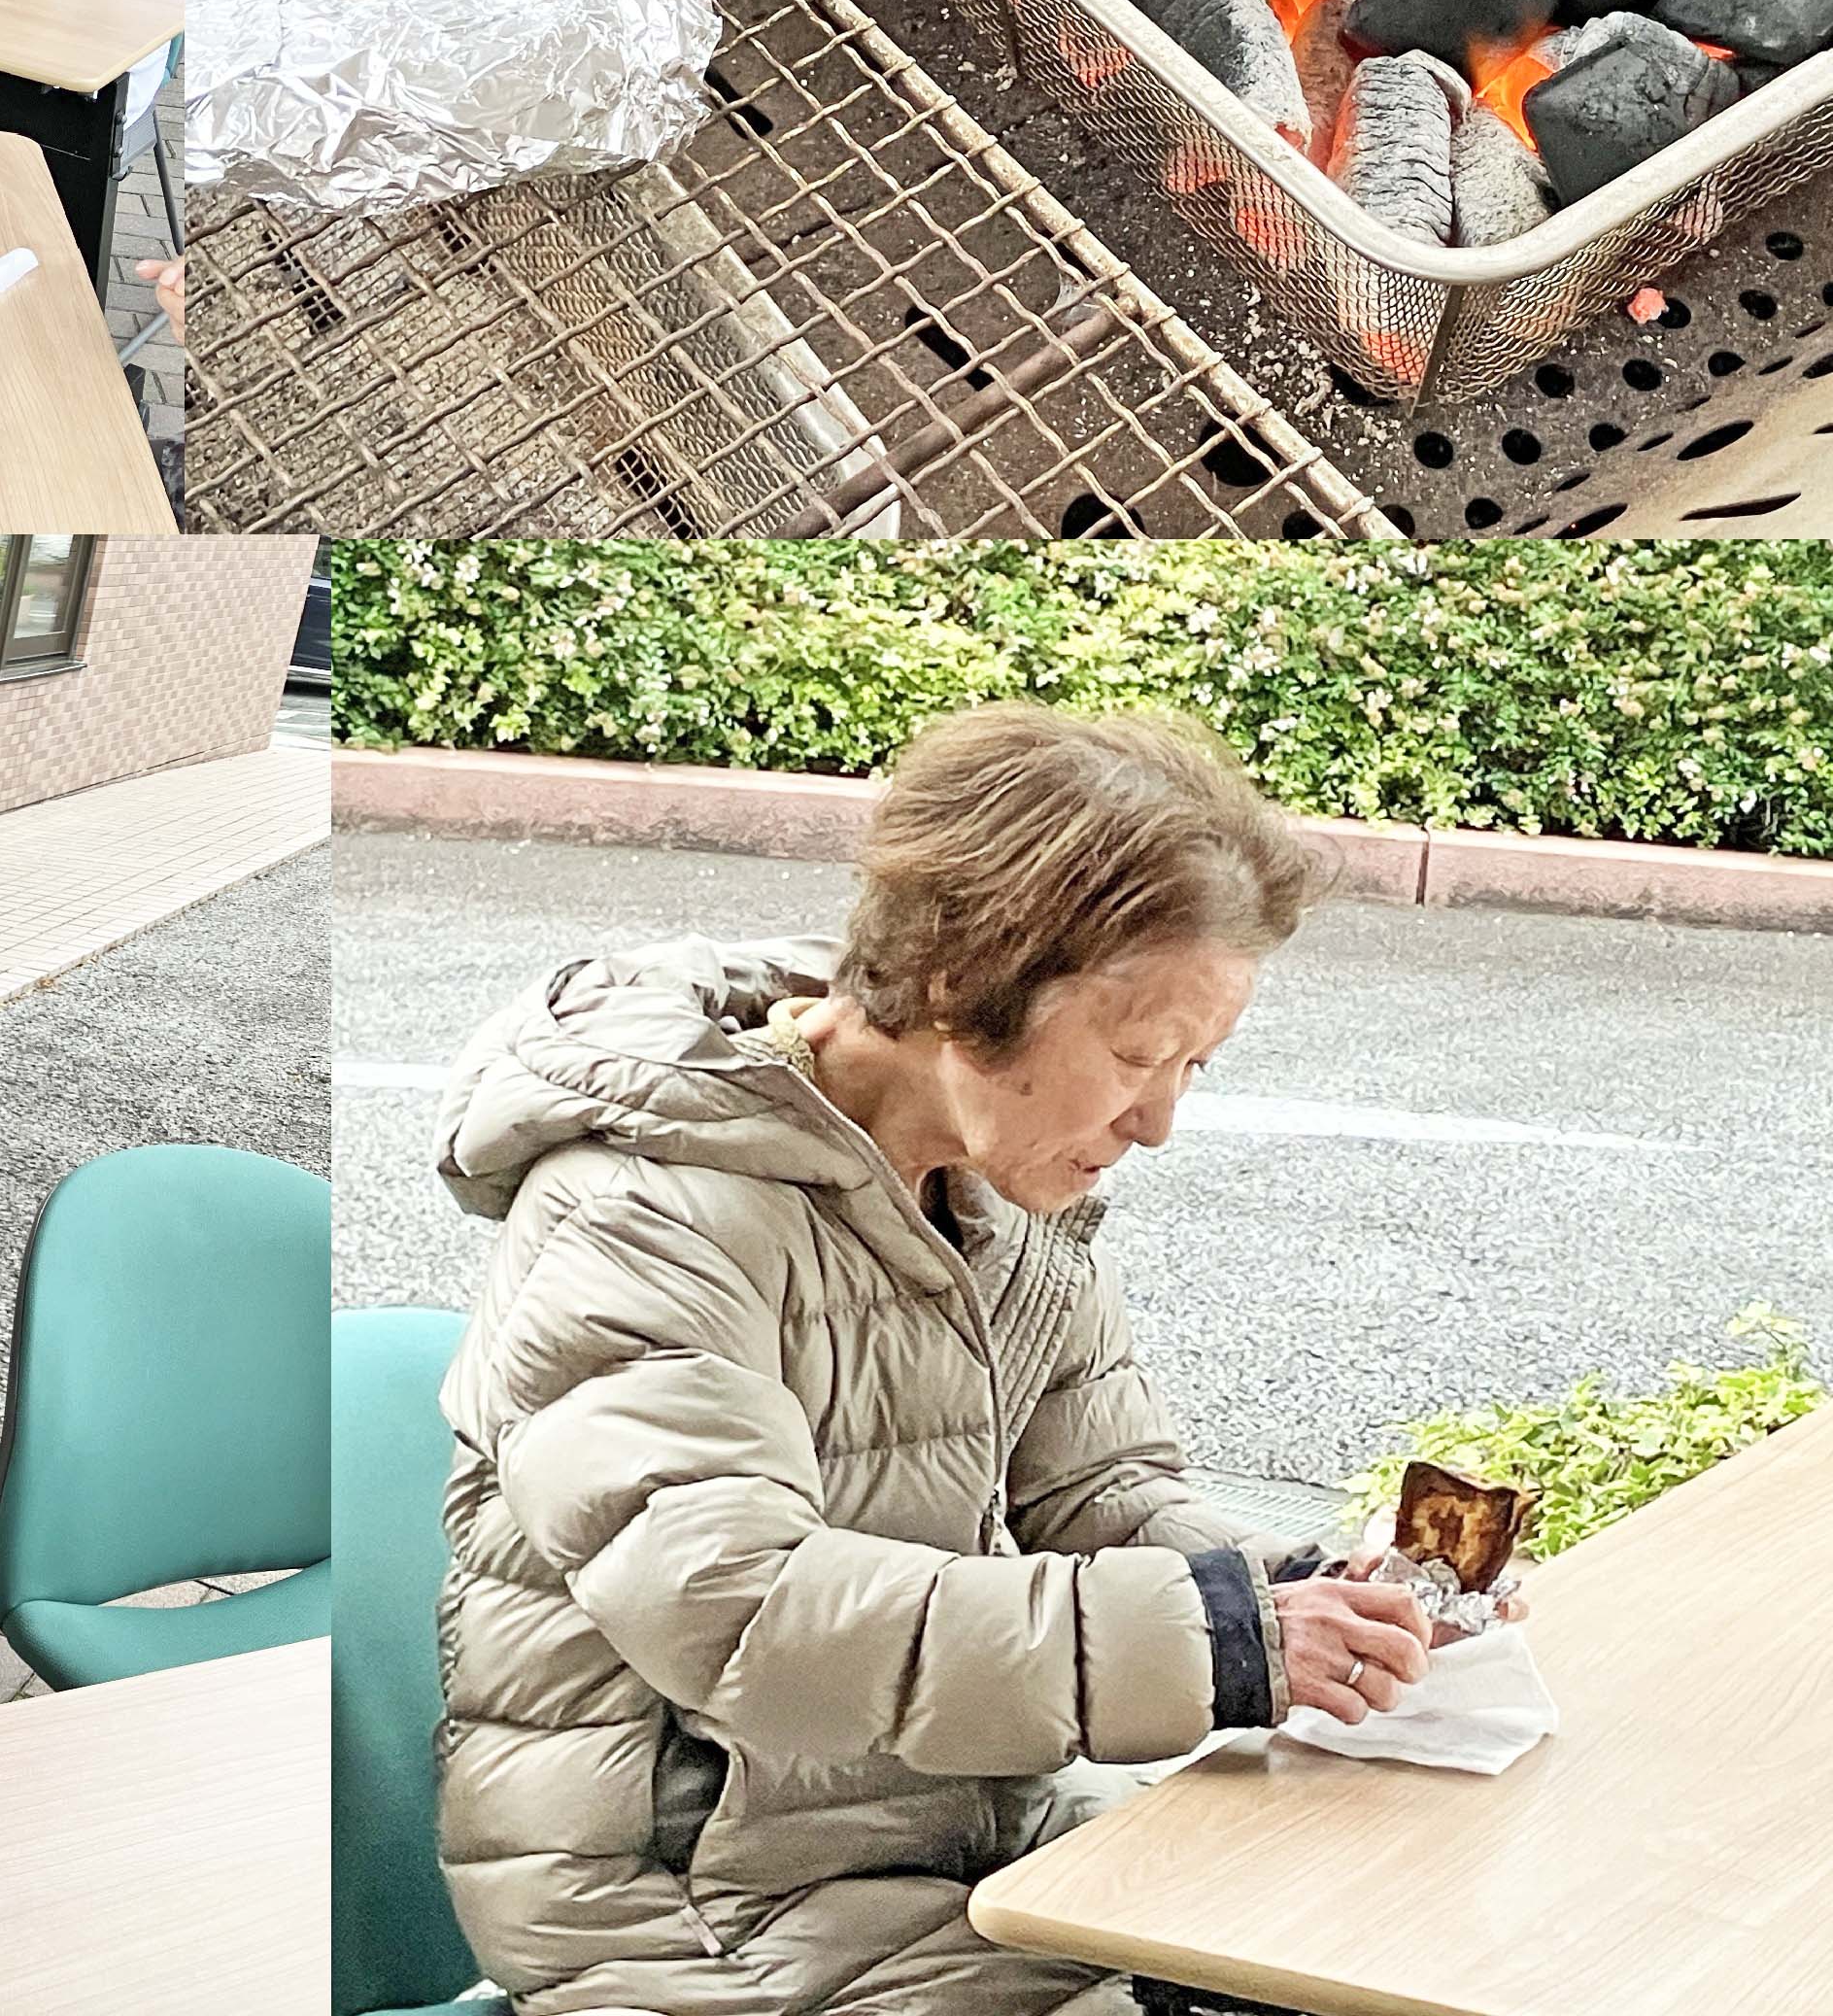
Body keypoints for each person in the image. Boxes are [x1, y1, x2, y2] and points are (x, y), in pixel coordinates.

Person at [434, 704, 1484, 2016]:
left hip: (960, 1838)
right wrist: (1222, 1640)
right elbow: (742, 1611)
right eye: (1137, 1056)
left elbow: (1099, 1496)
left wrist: (1318, 1594)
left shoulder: (1002, 1193)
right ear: (956, 981)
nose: (1158, 1121)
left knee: (1389, 1936)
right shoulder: (641, 1210)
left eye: (1195, 1065)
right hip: (703, 1911)